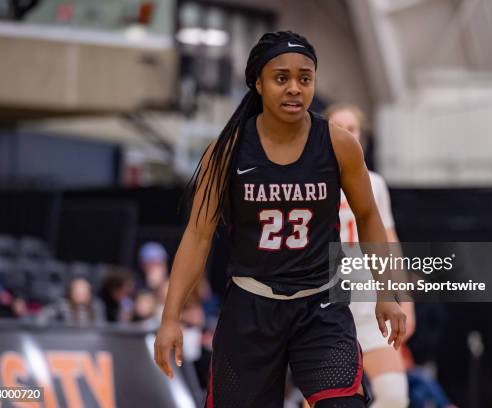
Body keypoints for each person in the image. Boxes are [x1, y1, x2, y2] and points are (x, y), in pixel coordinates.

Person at [154, 31, 406, 408]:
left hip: (320, 305)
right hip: (251, 307)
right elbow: (198, 236)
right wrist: (170, 316)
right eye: (281, 78)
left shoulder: (338, 144)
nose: (294, 88)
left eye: (304, 78)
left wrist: (387, 292)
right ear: (258, 82)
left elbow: (369, 218)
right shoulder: (228, 151)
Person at [327, 104, 415, 407]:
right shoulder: (311, 181)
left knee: (393, 395)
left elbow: (389, 243)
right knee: (328, 397)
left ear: (360, 136)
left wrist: (404, 299)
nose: (345, 134)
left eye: (351, 128)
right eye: (337, 127)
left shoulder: (375, 183)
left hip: (368, 302)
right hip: (326, 304)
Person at [37, 277, 105, 325]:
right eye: (78, 291)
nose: (81, 294)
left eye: (84, 291)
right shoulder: (61, 306)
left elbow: (100, 327)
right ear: (71, 292)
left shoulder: (96, 307)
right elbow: (42, 318)